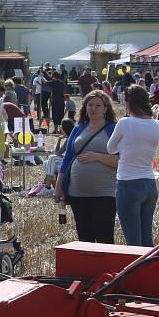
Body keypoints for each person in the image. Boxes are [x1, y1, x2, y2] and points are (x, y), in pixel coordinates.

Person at [53, 90, 119, 244]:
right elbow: (67, 159)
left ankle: (106, 268)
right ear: (85, 107)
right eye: (90, 105)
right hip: (78, 192)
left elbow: (121, 160)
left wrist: (96, 156)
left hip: (105, 192)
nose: (93, 108)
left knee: (104, 236)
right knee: (84, 237)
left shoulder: (113, 129)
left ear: (105, 108)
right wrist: (58, 186)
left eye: (98, 105)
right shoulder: (78, 128)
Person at [107, 85, 159, 247]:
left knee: (133, 243)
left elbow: (111, 149)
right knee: (147, 239)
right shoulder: (157, 124)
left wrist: (124, 145)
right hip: (149, 184)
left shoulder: (125, 123)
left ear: (129, 102)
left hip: (128, 183)